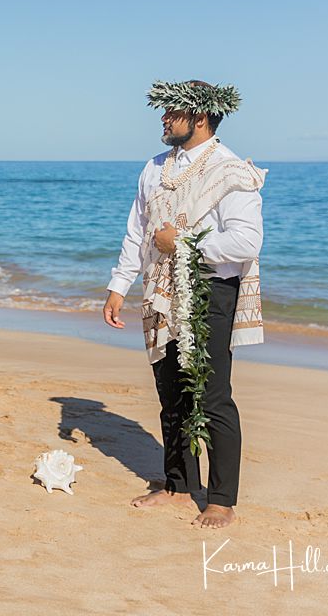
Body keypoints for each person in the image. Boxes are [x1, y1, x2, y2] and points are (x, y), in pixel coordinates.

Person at [103, 80, 265, 529]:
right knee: (170, 393)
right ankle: (176, 487)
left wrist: (186, 243)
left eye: (170, 111)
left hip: (210, 291)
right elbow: (137, 231)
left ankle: (221, 500)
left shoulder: (231, 170)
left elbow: (247, 241)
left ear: (199, 118)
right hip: (158, 291)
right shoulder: (154, 168)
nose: (162, 118)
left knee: (212, 397)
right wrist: (119, 284)